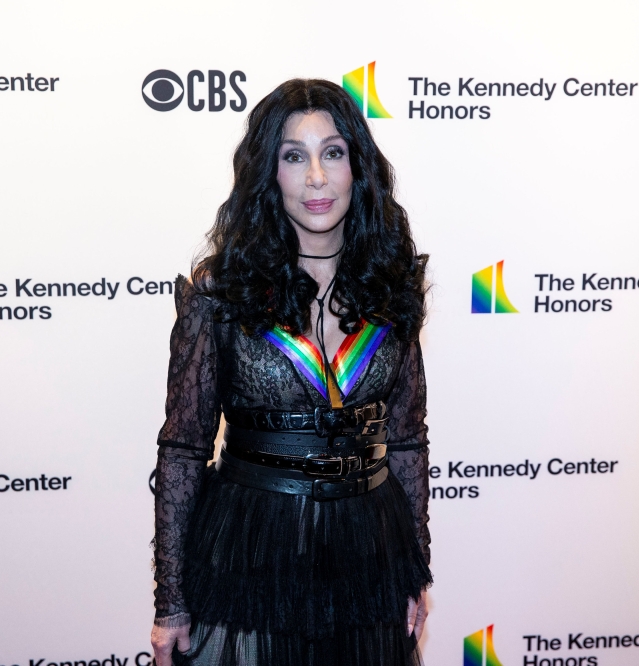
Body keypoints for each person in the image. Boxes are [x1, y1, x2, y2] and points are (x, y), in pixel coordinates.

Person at [150, 78, 432, 666]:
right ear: (267, 174)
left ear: (359, 166)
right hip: (251, 552)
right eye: (293, 156)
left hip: (369, 555)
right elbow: (182, 447)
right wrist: (171, 602)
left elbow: (405, 438)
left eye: (333, 152)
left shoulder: (390, 283)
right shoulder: (220, 293)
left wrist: (415, 568)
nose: (316, 178)